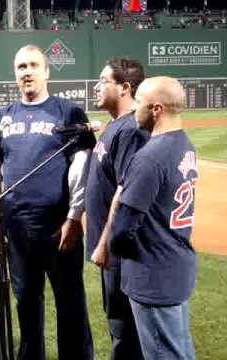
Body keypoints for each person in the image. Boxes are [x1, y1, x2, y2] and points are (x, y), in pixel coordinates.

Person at [0, 45, 95, 360]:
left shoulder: (68, 112)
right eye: (21, 66)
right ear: (15, 73)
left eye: (34, 65)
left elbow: (82, 168)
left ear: (47, 71)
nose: (27, 72)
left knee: (71, 303)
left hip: (59, 229)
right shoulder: (3, 118)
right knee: (26, 304)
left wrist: (74, 217)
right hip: (17, 229)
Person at [107, 76, 198, 360]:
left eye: (139, 102)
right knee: (180, 351)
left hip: (153, 274)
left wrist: (117, 250)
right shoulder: (184, 144)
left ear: (156, 109)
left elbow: (122, 229)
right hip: (176, 264)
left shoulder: (150, 157)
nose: (134, 108)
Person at [85, 58, 148, 359]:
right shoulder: (116, 126)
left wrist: (103, 244)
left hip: (119, 251)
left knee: (125, 330)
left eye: (103, 80)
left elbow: (124, 193)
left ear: (125, 88)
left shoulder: (132, 130)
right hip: (112, 249)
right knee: (118, 324)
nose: (96, 86)